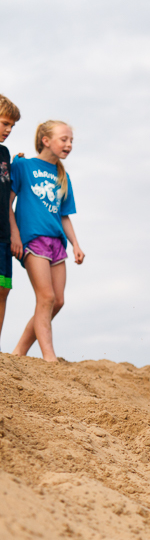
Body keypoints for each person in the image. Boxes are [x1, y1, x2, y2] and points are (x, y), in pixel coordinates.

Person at [8, 121, 85, 362]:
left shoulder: (63, 176)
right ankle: (49, 356)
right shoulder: (23, 166)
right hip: (33, 240)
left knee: (57, 301)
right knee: (46, 297)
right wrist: (15, 234)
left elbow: (64, 215)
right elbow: (7, 203)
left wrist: (76, 244)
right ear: (45, 140)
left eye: (71, 140)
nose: (69, 144)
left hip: (56, 243)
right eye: (64, 139)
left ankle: (20, 350)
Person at [0, 94, 21, 351]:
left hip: (4, 235)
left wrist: (14, 232)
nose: (8, 130)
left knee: (2, 290)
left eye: (12, 126)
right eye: (5, 123)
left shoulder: (5, 153)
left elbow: (6, 197)